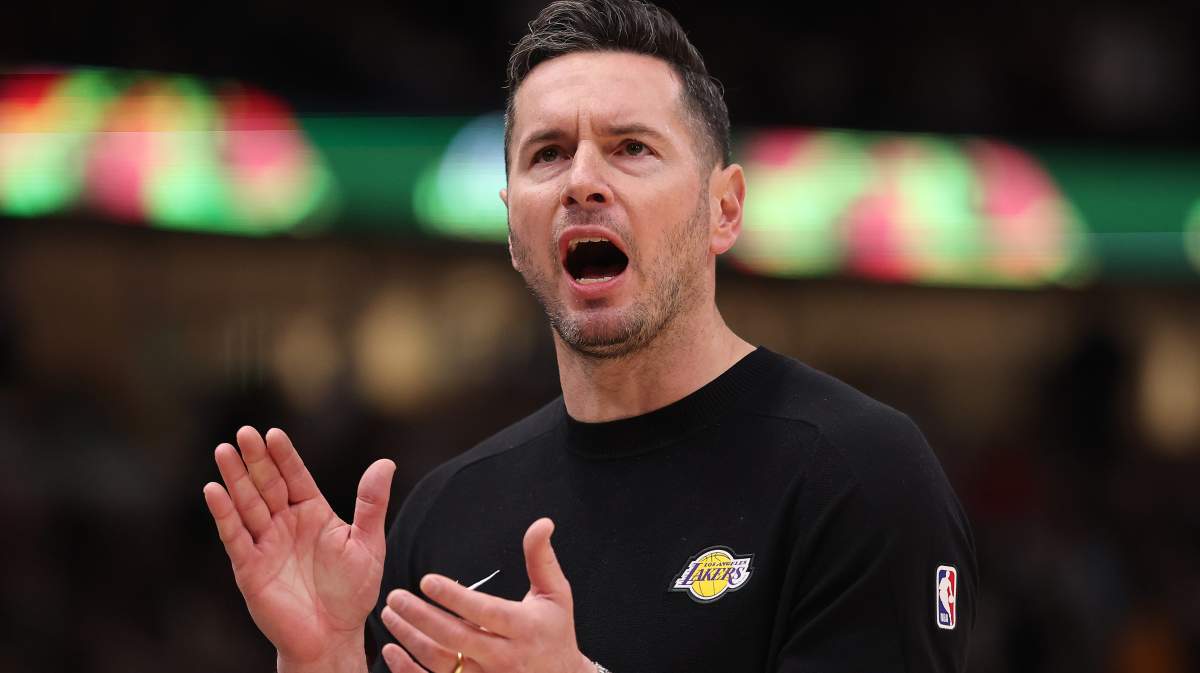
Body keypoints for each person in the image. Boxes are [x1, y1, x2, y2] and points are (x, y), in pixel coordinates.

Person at [202, 1, 977, 671]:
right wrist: (325, 658)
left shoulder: (859, 473)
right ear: (513, 228)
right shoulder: (444, 512)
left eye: (631, 147)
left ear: (725, 209)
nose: (581, 181)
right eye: (548, 154)